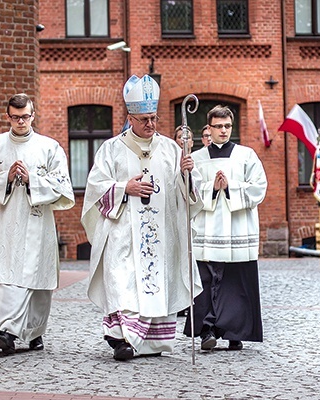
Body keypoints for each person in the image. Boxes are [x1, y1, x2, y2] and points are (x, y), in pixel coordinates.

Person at [81, 74, 203, 361]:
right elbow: (95, 188)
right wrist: (126, 187)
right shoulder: (111, 149)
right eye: (144, 119)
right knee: (122, 282)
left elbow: (187, 195)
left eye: (154, 118)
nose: (151, 124)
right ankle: (123, 339)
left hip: (160, 235)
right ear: (130, 118)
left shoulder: (172, 149)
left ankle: (144, 343)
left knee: (154, 283)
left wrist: (187, 172)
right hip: (122, 232)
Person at [0, 93, 75, 355]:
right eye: (15, 117)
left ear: (33, 115)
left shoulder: (49, 147)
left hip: (35, 223)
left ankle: (33, 332)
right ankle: (5, 331)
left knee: (32, 278)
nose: (20, 122)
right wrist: (5, 177)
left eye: (25, 116)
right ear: (8, 117)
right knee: (6, 278)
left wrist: (32, 181)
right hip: (4, 222)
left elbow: (63, 186)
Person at [184, 105, 267, 351]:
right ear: (208, 129)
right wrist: (211, 187)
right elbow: (189, 194)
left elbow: (259, 187)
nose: (223, 130)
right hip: (207, 231)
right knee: (207, 280)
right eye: (218, 126)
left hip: (237, 230)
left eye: (227, 126)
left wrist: (230, 188)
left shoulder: (247, 155)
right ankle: (207, 330)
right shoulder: (196, 159)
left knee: (236, 281)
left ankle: (235, 331)